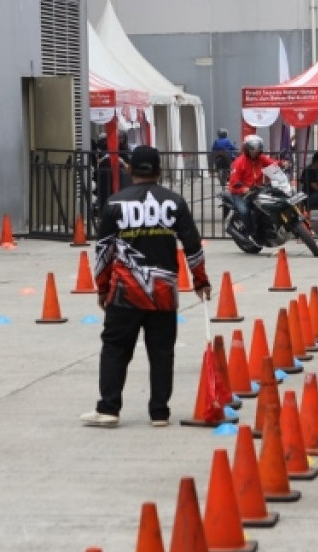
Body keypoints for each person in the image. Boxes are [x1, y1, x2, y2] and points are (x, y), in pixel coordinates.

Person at [82, 145, 211, 428]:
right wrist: (200, 280)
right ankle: (159, 412)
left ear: (129, 170)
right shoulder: (174, 203)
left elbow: (103, 253)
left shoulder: (115, 204)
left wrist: (102, 289)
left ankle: (108, 408)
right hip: (163, 295)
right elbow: (192, 245)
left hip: (124, 294)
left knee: (115, 348)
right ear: (159, 171)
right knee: (162, 351)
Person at [226, 134, 285, 241]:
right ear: (247, 149)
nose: (255, 153)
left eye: (258, 150)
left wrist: (281, 164)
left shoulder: (261, 158)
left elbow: (271, 163)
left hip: (256, 190)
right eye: (253, 150)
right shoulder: (239, 163)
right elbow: (234, 181)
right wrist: (243, 188)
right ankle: (250, 233)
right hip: (239, 193)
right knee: (244, 211)